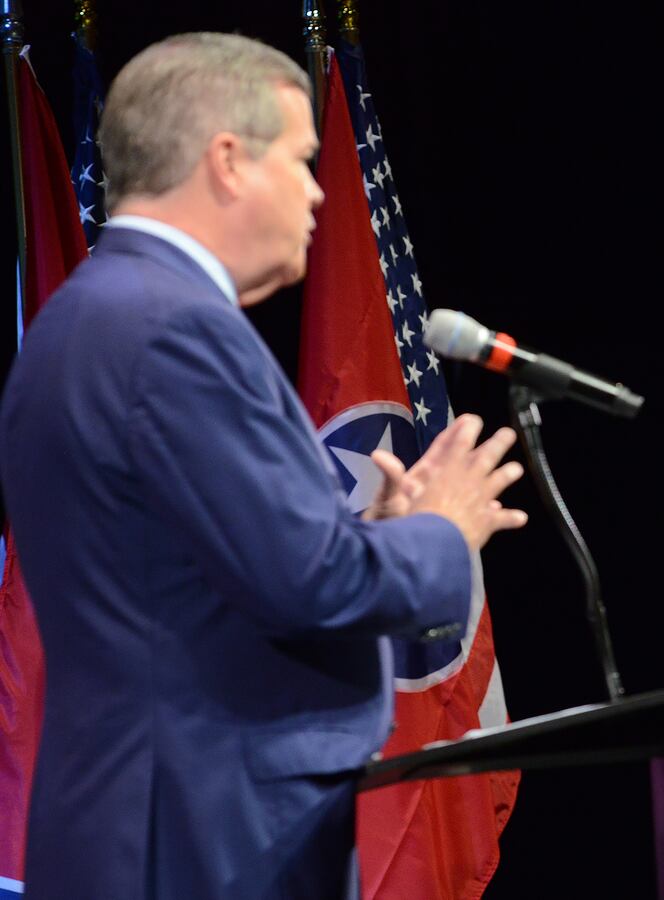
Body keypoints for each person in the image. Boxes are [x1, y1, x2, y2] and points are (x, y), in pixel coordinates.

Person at [0, 33, 527, 899]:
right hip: (201, 844)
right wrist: (440, 533)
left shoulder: (77, 322)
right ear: (229, 161)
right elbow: (310, 583)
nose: (321, 193)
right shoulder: (178, 331)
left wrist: (380, 539)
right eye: (303, 161)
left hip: (134, 830)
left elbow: (206, 585)